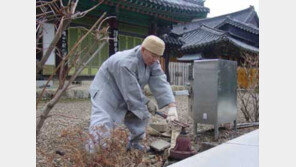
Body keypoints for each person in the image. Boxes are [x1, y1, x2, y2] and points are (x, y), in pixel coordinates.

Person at [87, 35, 178, 152]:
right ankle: (95, 152)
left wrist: (172, 105)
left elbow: (160, 80)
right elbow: (132, 94)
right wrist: (146, 102)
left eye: (158, 57)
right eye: (154, 56)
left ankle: (136, 145)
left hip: (127, 89)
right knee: (104, 119)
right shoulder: (125, 62)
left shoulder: (152, 61)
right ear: (143, 49)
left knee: (139, 114)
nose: (156, 60)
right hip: (106, 91)